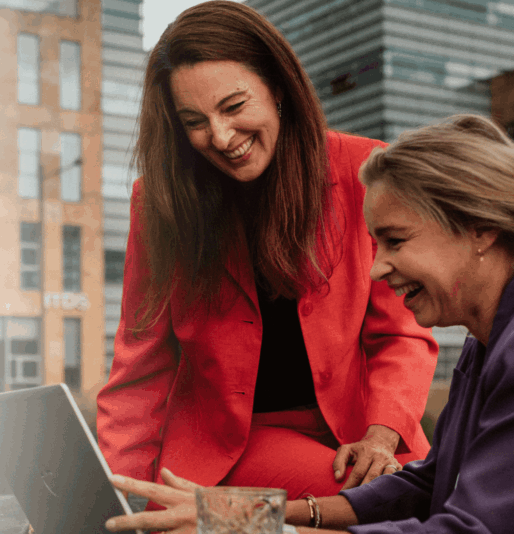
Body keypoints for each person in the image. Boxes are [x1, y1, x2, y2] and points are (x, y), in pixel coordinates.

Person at [105, 114, 514, 534]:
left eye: (395, 241)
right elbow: (424, 485)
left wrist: (247, 533)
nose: (378, 267)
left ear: (480, 229)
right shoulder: (503, 330)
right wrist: (245, 515)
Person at [96, 0, 439, 505]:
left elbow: (400, 332)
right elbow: (140, 371)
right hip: (233, 444)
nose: (219, 137)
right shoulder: (161, 200)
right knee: (402, 507)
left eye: (233, 107)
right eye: (194, 120)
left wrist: (382, 434)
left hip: (364, 432)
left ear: (278, 87)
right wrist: (117, 499)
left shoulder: (363, 169)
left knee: (454, 504)